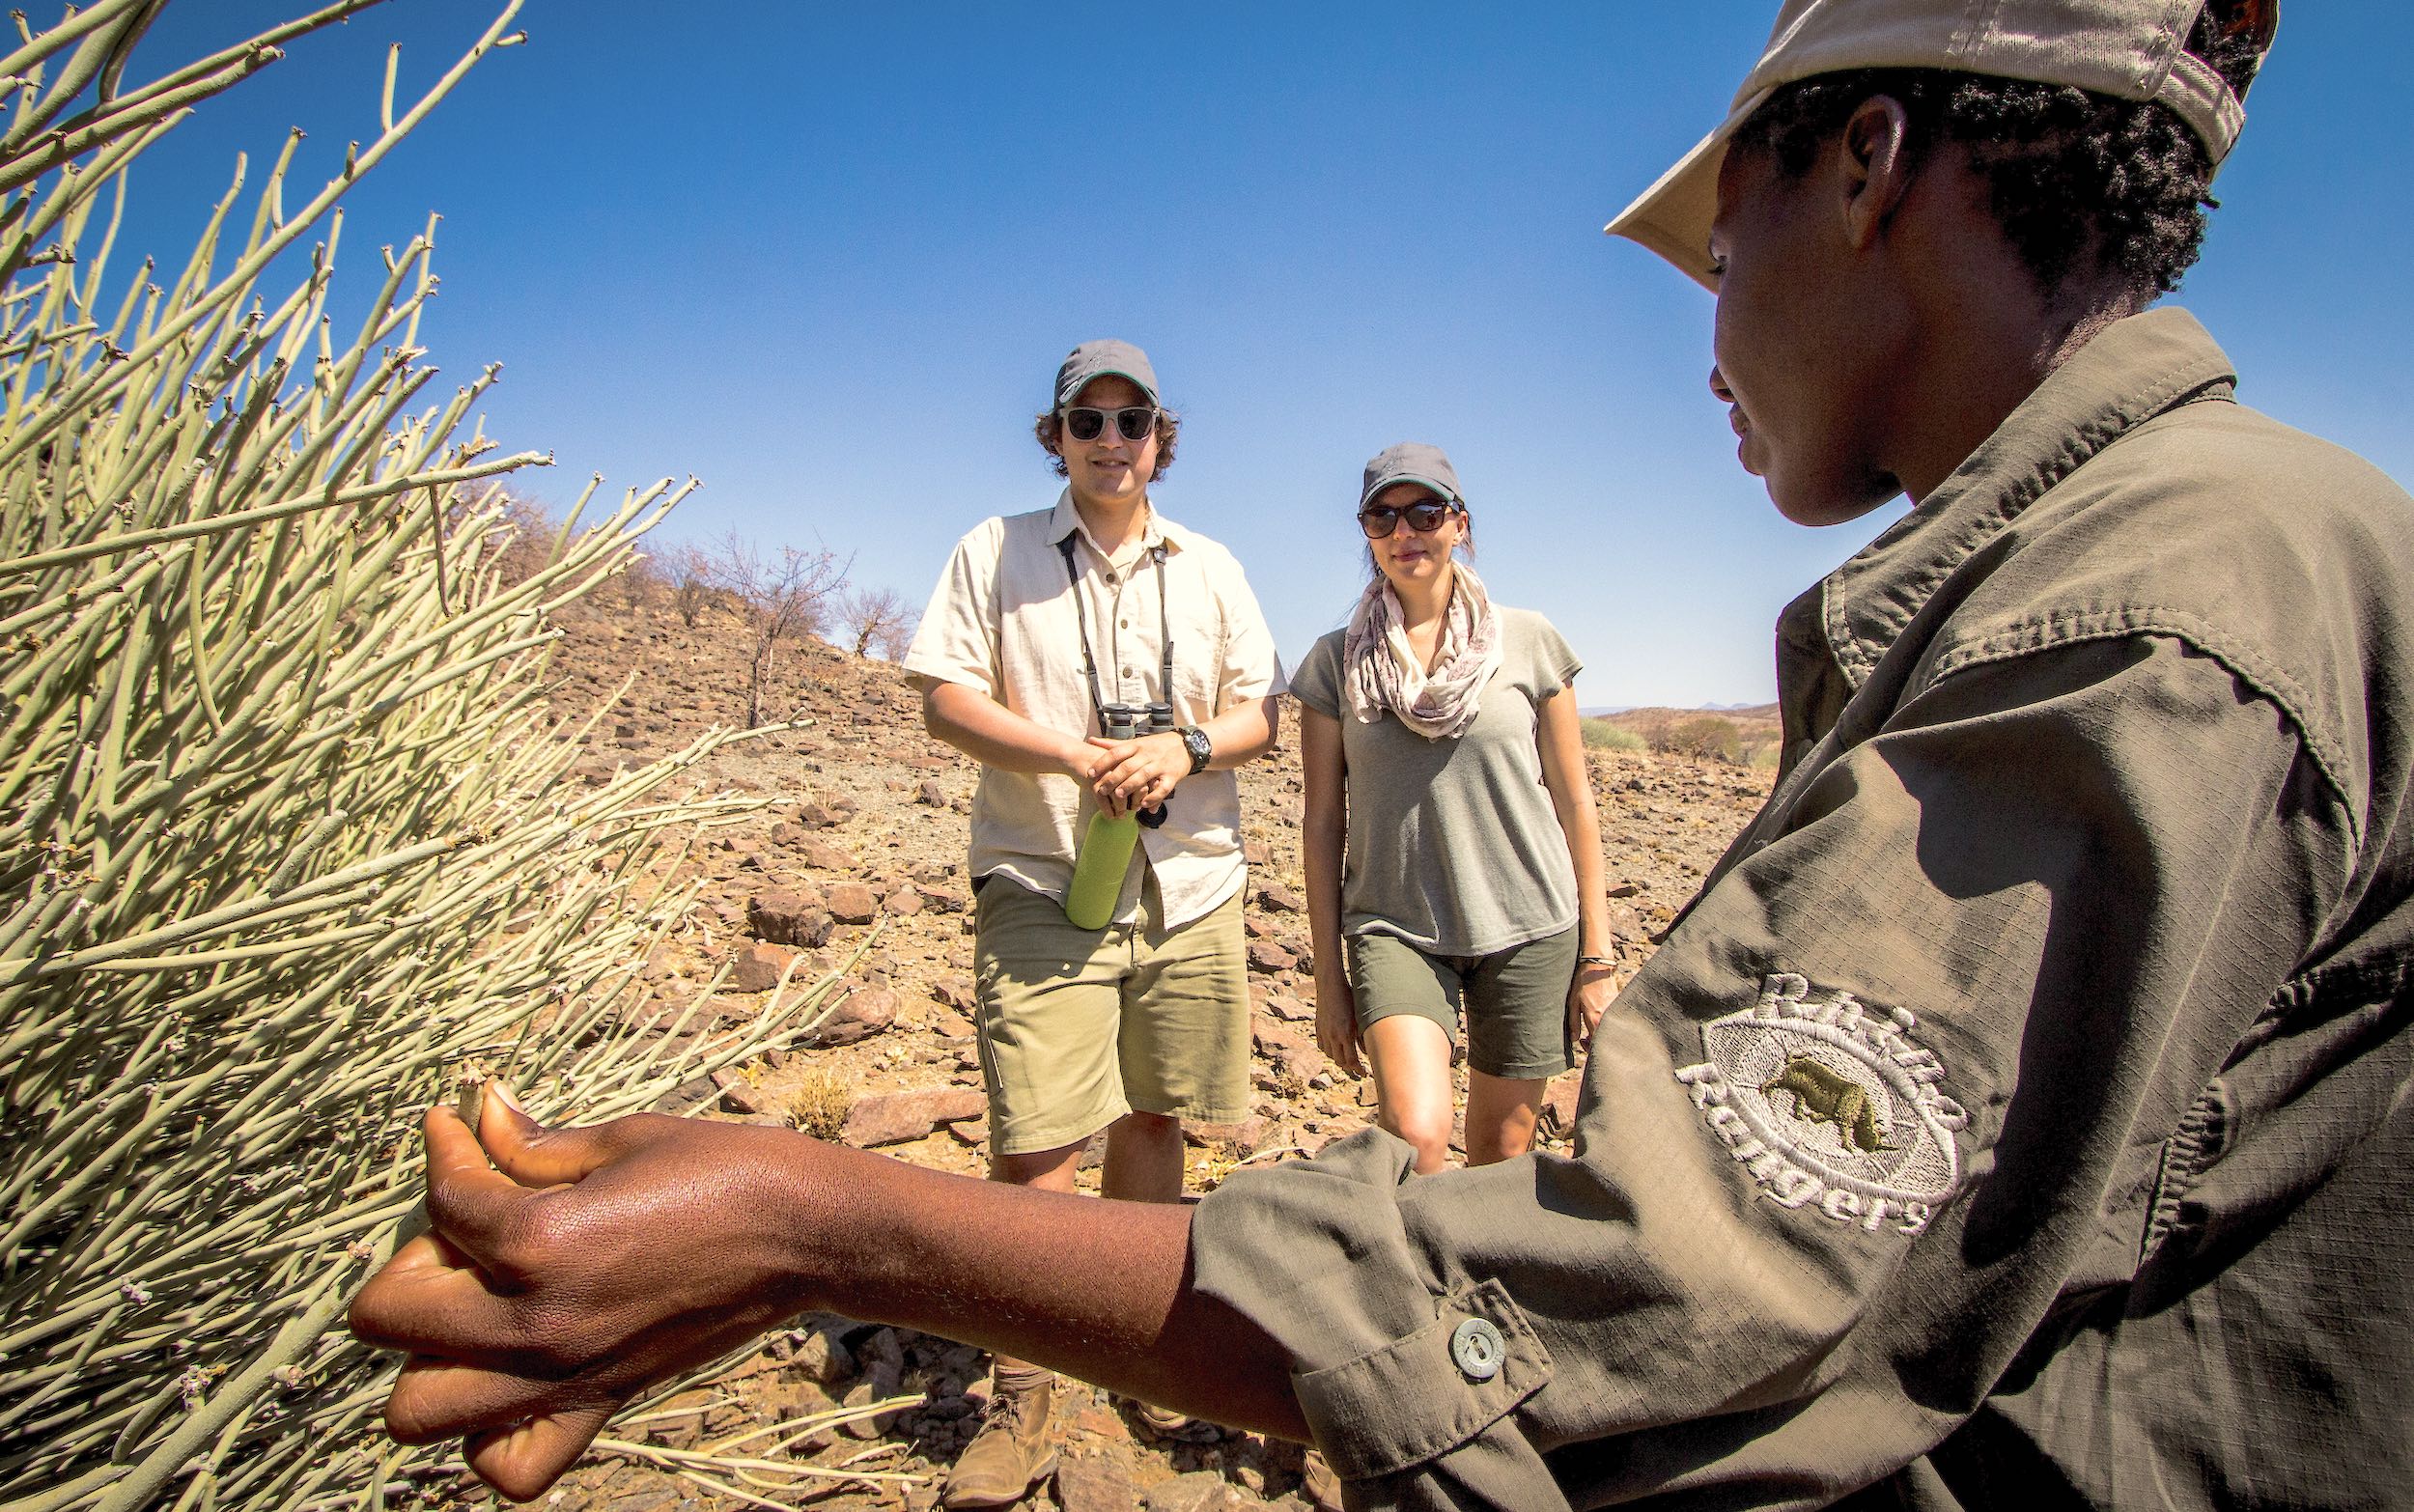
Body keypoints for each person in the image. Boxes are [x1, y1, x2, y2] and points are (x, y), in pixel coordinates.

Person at [351, 2, 2414, 1507]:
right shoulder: (2151, 558)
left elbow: (1665, 1295)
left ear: (1865, 167)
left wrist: (813, 1227)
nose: (1707, 340)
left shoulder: (2147, 612)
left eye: (1720, 251)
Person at [895, 338, 1285, 1505]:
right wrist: (1075, 754)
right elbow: (945, 698)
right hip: (1040, 870)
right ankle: (1024, 1392)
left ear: (1162, 437)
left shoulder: (1210, 566)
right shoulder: (994, 550)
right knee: (1038, 1139)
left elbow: (1260, 708)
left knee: (1156, 1116)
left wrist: (1187, 744)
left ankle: (1133, 1345)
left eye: (1133, 422)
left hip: (1191, 883)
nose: (1110, 442)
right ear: (1054, 436)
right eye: (1088, 422)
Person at [1298, 442, 1614, 1175]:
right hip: (1395, 924)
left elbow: (1575, 801)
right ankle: (1412, 1287)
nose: (1405, 531)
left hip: (1530, 923)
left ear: (1460, 525)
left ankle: (1468, 1288)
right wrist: (1328, 981)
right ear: (1368, 534)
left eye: (1425, 512)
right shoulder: (1333, 661)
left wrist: (1597, 956)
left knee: (1503, 1151)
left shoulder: (1530, 641)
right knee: (1415, 1133)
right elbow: (1322, 826)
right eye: (1383, 516)